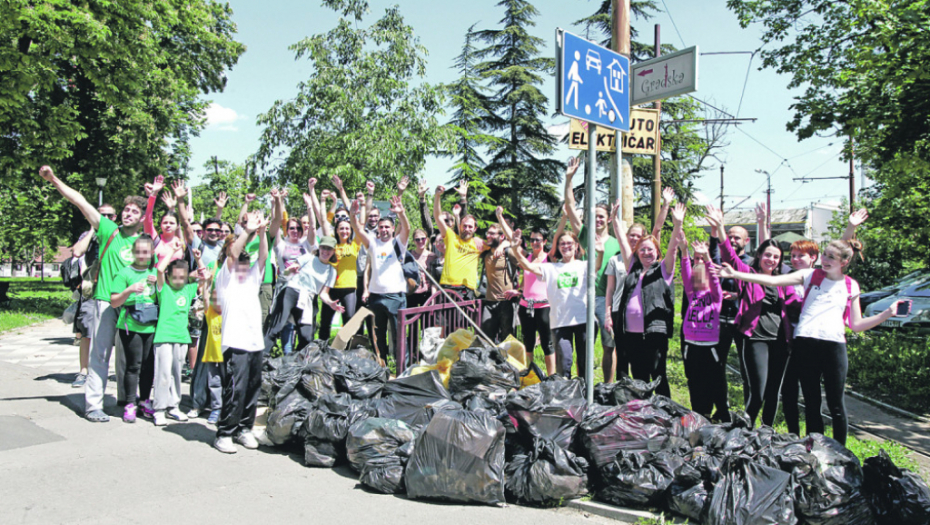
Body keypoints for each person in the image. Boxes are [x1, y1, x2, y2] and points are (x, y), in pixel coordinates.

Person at [719, 239, 902, 446]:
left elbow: (857, 324)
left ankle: (840, 451)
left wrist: (887, 314)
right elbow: (771, 281)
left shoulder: (851, 285)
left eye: (831, 257)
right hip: (805, 344)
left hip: (834, 346)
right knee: (812, 403)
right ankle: (813, 449)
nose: (824, 260)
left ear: (845, 261)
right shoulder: (810, 276)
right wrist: (735, 274)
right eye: (824, 255)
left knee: (836, 405)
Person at [39, 165, 145, 422]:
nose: (128, 213)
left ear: (142, 217)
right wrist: (53, 179)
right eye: (126, 209)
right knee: (100, 353)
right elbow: (79, 200)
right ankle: (93, 405)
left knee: (132, 357)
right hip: (105, 302)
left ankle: (127, 400)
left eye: (135, 211)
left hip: (133, 304)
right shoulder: (109, 230)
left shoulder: (145, 240)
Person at [705, 205, 794, 428]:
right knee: (758, 392)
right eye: (767, 255)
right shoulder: (748, 274)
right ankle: (744, 431)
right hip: (756, 339)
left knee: (774, 393)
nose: (771, 260)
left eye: (776, 257)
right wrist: (720, 227)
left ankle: (766, 432)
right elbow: (729, 255)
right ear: (759, 256)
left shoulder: (784, 280)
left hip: (780, 342)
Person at [606, 204, 685, 397]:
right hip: (631, 334)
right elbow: (623, 243)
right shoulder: (632, 267)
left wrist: (678, 225)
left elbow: (673, 247)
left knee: (658, 374)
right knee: (639, 377)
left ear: (657, 252)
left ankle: (665, 412)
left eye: (650, 250)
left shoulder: (663, 270)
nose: (646, 253)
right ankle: (643, 414)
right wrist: (615, 220)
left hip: (654, 332)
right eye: (642, 250)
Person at [335, 175, 410, 363]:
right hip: (376, 297)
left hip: (396, 296)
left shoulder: (398, 243)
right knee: (378, 337)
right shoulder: (373, 244)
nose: (384, 229)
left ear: (392, 229)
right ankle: (382, 366)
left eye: (387, 227)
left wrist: (401, 213)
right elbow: (358, 230)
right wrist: (352, 214)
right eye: (382, 227)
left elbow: (407, 228)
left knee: (399, 336)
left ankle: (402, 369)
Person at [213, 210, 269, 454]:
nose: (242, 263)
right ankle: (224, 432)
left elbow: (264, 257)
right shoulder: (225, 278)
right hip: (235, 342)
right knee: (235, 389)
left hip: (255, 342)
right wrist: (247, 231)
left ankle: (243, 429)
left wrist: (263, 232)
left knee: (252, 388)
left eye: (246, 261)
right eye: (239, 260)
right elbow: (233, 252)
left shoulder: (252, 278)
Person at [509, 230, 587, 378]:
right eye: (562, 244)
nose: (566, 246)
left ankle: (584, 390)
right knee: (563, 361)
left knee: (582, 359)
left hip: (578, 318)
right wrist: (514, 248)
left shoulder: (583, 265)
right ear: (557, 247)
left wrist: (600, 249)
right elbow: (528, 266)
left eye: (569, 243)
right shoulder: (551, 267)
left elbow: (598, 264)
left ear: (576, 245)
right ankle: (542, 379)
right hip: (558, 320)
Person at [151, 241, 204, 426]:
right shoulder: (163, 289)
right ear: (169, 276)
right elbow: (159, 270)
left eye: (182, 278)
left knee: (176, 373)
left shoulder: (189, 289)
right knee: (163, 373)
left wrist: (198, 259)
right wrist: (172, 251)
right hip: (164, 337)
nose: (178, 281)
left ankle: (174, 406)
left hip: (182, 338)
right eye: (175, 277)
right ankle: (159, 408)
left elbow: (206, 277)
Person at [679, 237, 729, 422]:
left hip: (710, 346)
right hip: (691, 344)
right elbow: (685, 272)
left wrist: (707, 258)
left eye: (703, 275)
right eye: (695, 276)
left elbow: (715, 278)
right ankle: (700, 414)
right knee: (694, 380)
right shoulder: (692, 294)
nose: (699, 278)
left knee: (713, 380)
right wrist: (684, 251)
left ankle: (720, 412)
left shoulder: (716, 296)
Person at [109, 235, 158, 423]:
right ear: (133, 252)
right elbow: (114, 302)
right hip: (131, 325)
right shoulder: (124, 273)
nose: (142, 255)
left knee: (148, 366)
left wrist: (158, 283)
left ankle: (145, 401)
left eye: (145, 252)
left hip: (151, 325)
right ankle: (130, 403)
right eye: (138, 252)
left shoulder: (155, 273)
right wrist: (129, 290)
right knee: (133, 365)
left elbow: (164, 297)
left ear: (152, 252)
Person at [68, 206, 115, 388]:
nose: (105, 218)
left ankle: (114, 371)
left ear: (115, 217)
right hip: (91, 290)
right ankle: (83, 371)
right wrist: (91, 230)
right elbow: (77, 252)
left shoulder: (118, 234)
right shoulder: (89, 235)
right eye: (101, 215)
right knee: (87, 330)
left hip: (113, 289)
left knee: (117, 333)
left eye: (109, 215)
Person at [320, 180, 361, 338]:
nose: (344, 230)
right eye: (341, 228)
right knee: (325, 322)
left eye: (347, 228)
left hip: (349, 288)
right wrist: (325, 201)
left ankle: (347, 351)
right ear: (336, 230)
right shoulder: (331, 243)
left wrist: (341, 189)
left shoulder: (355, 244)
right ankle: (323, 350)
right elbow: (324, 221)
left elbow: (358, 225)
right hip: (331, 288)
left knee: (349, 321)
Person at [286, 236, 344, 338]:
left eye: (329, 249)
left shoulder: (331, 271)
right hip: (292, 293)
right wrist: (288, 271)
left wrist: (330, 303)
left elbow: (324, 293)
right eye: (323, 248)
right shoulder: (308, 258)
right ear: (319, 248)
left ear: (334, 251)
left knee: (306, 337)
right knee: (279, 328)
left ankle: (299, 353)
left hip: (308, 299)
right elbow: (288, 273)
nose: (326, 251)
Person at [434, 185, 484, 301]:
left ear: (475, 229)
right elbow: (437, 217)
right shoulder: (451, 237)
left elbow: (497, 243)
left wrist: (503, 245)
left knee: (464, 320)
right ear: (459, 226)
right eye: (464, 226)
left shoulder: (478, 243)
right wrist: (437, 196)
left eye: (470, 226)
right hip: (447, 289)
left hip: (466, 291)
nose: (467, 228)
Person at [407, 228, 436, 308]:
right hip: (412, 292)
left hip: (427, 292)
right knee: (412, 319)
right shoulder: (409, 256)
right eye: (417, 239)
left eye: (423, 239)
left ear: (427, 239)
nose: (420, 241)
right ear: (414, 241)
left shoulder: (432, 256)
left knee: (427, 319)